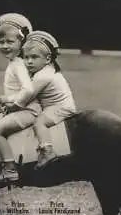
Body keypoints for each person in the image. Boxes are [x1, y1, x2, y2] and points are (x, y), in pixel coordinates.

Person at [0, 13, 42, 183]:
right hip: (23, 108)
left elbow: (28, 90)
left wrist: (11, 101)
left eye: (10, 42)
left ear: (22, 43)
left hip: (28, 111)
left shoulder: (18, 65)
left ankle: (10, 168)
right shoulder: (15, 62)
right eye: (1, 42)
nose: (4, 46)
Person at [14, 30, 77, 170]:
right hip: (53, 105)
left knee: (39, 122)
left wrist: (11, 104)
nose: (29, 62)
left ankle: (48, 151)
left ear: (48, 58)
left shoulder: (42, 76)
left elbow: (25, 97)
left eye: (34, 57)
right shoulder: (46, 70)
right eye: (26, 57)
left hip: (60, 107)